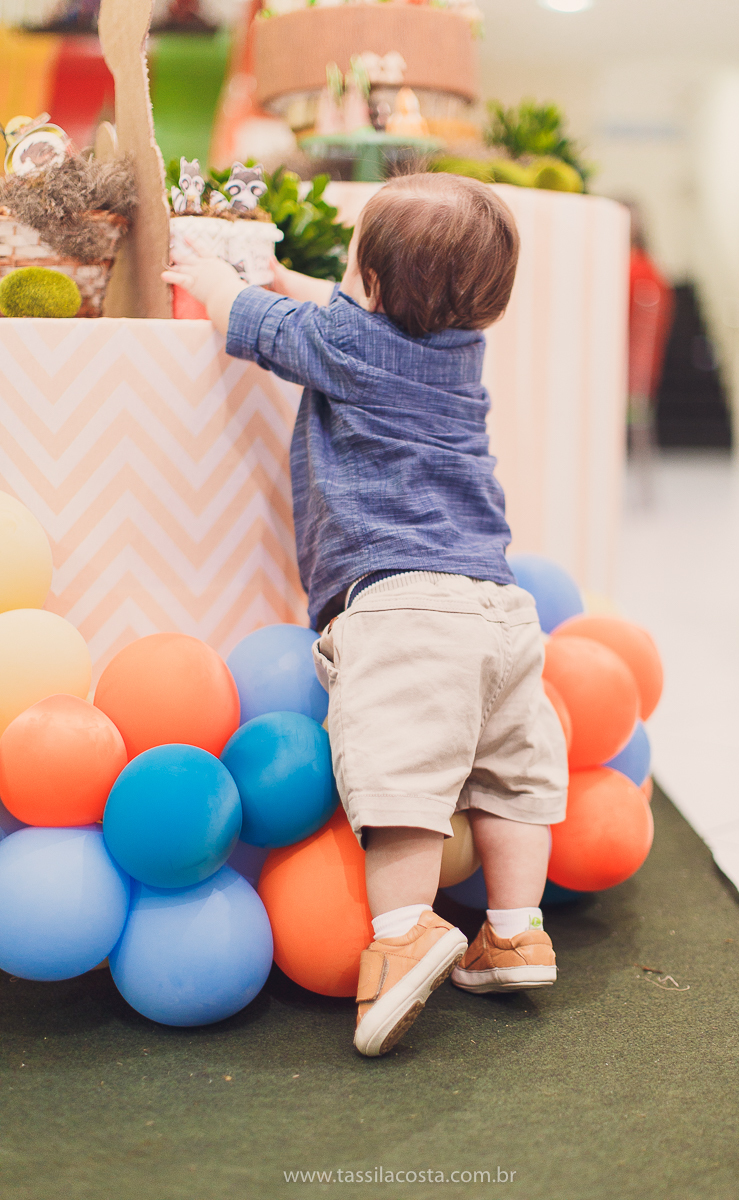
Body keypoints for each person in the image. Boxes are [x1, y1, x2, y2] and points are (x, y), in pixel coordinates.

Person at [163, 172, 568, 1058]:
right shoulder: (457, 348)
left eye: (352, 268)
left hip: (404, 606)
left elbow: (254, 324)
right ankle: (514, 929)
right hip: (500, 609)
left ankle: (402, 934)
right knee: (510, 781)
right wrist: (296, 279)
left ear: (374, 288)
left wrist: (212, 279)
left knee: (401, 784)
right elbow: (346, 315)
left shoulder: (344, 343)